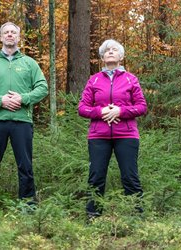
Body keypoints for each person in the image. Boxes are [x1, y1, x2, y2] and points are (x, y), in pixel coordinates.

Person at [0, 22, 48, 212]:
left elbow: (42, 88)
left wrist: (23, 98)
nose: (9, 35)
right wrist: (0, 101)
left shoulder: (29, 63)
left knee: (25, 165)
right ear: (0, 37)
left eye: (13, 32)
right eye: (6, 32)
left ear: (18, 37)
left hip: (22, 121)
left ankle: (28, 206)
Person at [78, 39, 147, 219]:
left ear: (121, 56)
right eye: (106, 50)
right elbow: (82, 108)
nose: (110, 52)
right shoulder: (93, 80)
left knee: (130, 177)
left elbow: (141, 107)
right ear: (102, 57)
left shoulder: (131, 79)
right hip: (98, 136)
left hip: (127, 135)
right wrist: (100, 111)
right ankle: (93, 216)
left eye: (114, 49)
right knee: (96, 177)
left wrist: (120, 110)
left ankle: (136, 217)